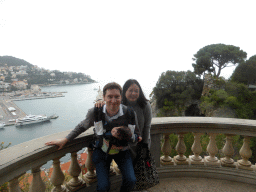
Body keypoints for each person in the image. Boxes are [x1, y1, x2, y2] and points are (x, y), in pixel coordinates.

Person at [45, 82, 142, 192]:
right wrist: (66, 139)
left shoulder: (129, 113)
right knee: (103, 186)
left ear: (121, 97)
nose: (113, 100)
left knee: (131, 180)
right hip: (102, 151)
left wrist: (126, 138)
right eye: (110, 97)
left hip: (122, 151)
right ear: (104, 98)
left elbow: (136, 134)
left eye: (117, 97)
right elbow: (82, 126)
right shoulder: (96, 112)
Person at [96, 79, 152, 153]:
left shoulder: (145, 105)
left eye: (136, 91)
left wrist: (145, 144)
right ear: (124, 91)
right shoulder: (119, 104)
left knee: (141, 164)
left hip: (140, 142)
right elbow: (109, 111)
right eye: (130, 90)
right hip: (124, 145)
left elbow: (147, 126)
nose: (133, 93)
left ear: (140, 92)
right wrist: (100, 102)